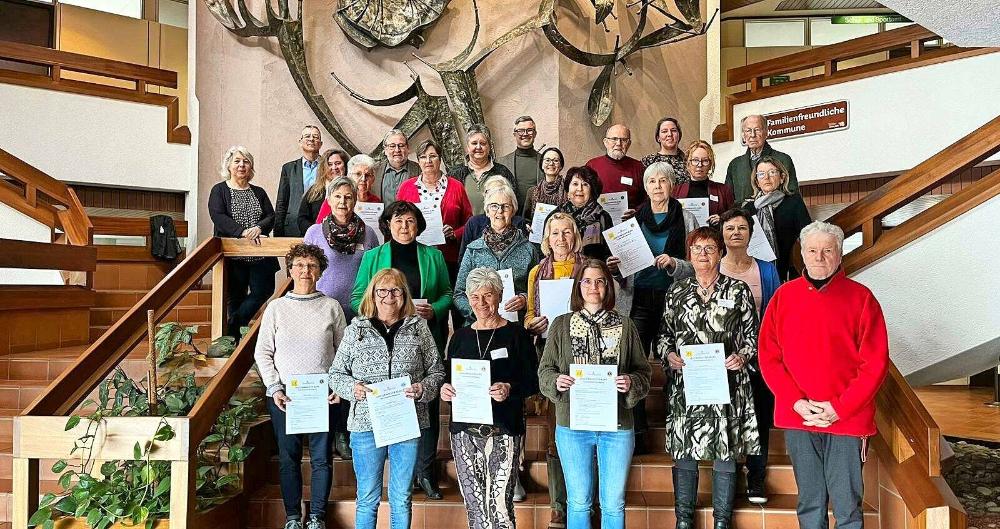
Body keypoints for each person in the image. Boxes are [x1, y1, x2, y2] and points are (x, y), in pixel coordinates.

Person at [759, 221, 889, 529]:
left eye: (827, 251)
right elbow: (769, 358)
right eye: (812, 250)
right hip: (799, 417)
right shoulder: (783, 297)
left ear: (839, 254)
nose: (819, 257)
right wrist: (796, 402)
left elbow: (875, 364)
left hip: (847, 419)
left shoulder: (862, 298)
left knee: (847, 508)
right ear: (802, 254)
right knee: (810, 503)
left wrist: (839, 408)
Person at [658, 226, 761, 529]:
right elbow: (663, 336)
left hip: (727, 385)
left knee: (725, 451)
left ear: (720, 253)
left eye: (710, 248)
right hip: (687, 385)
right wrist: (669, 355)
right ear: (689, 255)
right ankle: (684, 520)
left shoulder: (738, 290)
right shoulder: (676, 292)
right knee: (684, 450)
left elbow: (753, 338)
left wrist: (742, 356)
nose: (703, 254)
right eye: (697, 249)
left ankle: (722, 521)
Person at [351, 200, 453, 500]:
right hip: (382, 344)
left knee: (426, 405)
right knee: (391, 404)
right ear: (387, 225)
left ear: (418, 225)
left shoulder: (433, 256)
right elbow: (357, 296)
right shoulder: (373, 257)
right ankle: (400, 474)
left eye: (410, 221)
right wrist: (379, 314)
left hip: (422, 340)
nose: (404, 226)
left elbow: (447, 293)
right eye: (398, 221)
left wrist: (435, 310)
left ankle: (426, 471)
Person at [538, 259, 651, 529]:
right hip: (573, 426)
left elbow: (644, 373)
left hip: (617, 427)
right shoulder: (561, 325)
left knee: (613, 504)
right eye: (587, 281)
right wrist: (556, 381)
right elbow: (545, 371)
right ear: (578, 287)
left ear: (608, 287)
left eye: (600, 281)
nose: (593, 287)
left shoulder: (625, 326)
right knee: (578, 502)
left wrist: (631, 382)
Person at [330, 268, 445, 529]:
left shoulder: (419, 328)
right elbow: (336, 374)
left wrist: (422, 389)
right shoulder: (356, 329)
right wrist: (353, 389)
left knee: (401, 498)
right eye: (382, 290)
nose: (389, 296)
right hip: (365, 424)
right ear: (372, 294)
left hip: (406, 422)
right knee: (367, 498)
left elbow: (437, 371)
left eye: (395, 290)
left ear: (404, 295)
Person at [254, 243, 347, 529]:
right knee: (288, 458)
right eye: (299, 265)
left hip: (322, 395)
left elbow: (344, 353)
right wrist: (275, 388)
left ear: (320, 271)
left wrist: (338, 385)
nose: (306, 270)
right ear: (290, 270)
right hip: (285, 396)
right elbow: (262, 352)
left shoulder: (332, 307)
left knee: (321, 459)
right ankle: (293, 517)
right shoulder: (276, 308)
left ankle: (317, 516)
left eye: (312, 265)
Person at [440, 267, 539, 529]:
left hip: (504, 429)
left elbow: (533, 381)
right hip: (464, 432)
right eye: (475, 297)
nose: (481, 303)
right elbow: (449, 380)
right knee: (475, 509)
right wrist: (445, 391)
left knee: (500, 508)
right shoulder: (460, 337)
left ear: (499, 295)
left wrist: (509, 388)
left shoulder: (516, 335)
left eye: (488, 295)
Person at [607, 162, 696, 453]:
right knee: (634, 364)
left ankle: (679, 425)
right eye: (652, 181)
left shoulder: (688, 219)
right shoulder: (632, 221)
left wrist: (674, 264)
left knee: (677, 362)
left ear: (672, 185)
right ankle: (638, 430)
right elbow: (622, 272)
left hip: (676, 300)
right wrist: (615, 269)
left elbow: (698, 264)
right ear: (645, 187)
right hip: (639, 300)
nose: (658, 186)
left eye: (663, 180)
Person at [523, 212, 584, 528]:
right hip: (552, 356)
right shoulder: (537, 272)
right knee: (555, 432)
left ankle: (583, 500)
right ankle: (559, 505)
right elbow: (529, 315)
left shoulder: (588, 268)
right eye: (555, 233)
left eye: (566, 232)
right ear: (547, 238)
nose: (561, 239)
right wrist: (532, 323)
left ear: (575, 236)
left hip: (586, 357)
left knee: (585, 430)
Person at [717, 208, 781, 504]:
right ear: (722, 234)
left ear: (751, 234)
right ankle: (729, 476)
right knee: (726, 418)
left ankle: (756, 477)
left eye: (742, 228)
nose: (735, 233)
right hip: (721, 359)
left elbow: (777, 312)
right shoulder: (713, 267)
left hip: (758, 357)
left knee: (759, 417)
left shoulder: (766, 270)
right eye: (730, 228)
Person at [207, 146, 279, 338]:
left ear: (251, 167)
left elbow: (271, 216)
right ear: (229, 165)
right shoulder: (219, 190)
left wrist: (259, 228)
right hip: (234, 255)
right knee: (235, 298)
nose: (241, 165)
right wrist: (243, 232)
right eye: (237, 161)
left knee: (264, 290)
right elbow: (218, 216)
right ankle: (234, 344)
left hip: (259, 254)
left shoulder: (259, 192)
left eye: (246, 161)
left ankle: (233, 325)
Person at [454, 184, 539, 325]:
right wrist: (477, 313)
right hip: (479, 326)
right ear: (487, 211)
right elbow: (459, 293)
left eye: (506, 206)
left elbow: (537, 291)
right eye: (494, 206)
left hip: (515, 326)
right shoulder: (473, 250)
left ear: (513, 211)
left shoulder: (529, 249)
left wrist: (524, 300)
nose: (500, 211)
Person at [303, 176, 381, 322]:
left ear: (355, 201)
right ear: (329, 200)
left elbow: (377, 273)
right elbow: (304, 271)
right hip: (323, 309)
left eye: (348, 197)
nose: (342, 202)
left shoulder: (369, 233)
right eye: (337, 196)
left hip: (360, 309)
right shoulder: (314, 233)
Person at [396, 139, 474, 269]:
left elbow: (469, 222)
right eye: (423, 157)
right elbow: (396, 220)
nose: (428, 161)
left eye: (432, 156)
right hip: (414, 256)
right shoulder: (406, 187)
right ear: (418, 161)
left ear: (440, 159)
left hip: (448, 257)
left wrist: (455, 233)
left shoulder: (457, 186)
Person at [740, 157, 812, 282]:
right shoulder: (748, 208)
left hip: (788, 270)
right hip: (755, 270)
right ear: (757, 181)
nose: (766, 177)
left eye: (772, 172)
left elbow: (808, 234)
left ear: (782, 177)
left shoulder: (793, 202)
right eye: (761, 174)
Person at [725, 115, 799, 203]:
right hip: (743, 211)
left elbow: (793, 196)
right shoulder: (735, 164)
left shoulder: (783, 159)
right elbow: (728, 200)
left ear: (766, 132)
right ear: (743, 135)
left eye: (757, 130)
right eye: (748, 130)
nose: (753, 135)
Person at [448, 124, 517, 215]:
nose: (478, 147)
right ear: (467, 147)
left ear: (489, 147)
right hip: (465, 224)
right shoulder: (455, 174)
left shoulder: (502, 172)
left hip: (496, 224)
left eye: (483, 143)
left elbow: (512, 204)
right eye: (474, 143)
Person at [458, 175, 528, 262]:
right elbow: (463, 258)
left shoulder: (518, 222)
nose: (496, 194)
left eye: (500, 190)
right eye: (490, 192)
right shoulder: (474, 222)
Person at [585, 123, 647, 214]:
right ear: (605, 142)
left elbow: (647, 198)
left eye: (624, 140)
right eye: (614, 139)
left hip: (631, 220)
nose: (618, 143)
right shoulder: (592, 166)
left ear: (629, 144)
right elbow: (584, 195)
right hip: (598, 219)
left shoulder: (639, 168)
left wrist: (637, 212)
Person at [276, 125, 324, 237]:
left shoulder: (328, 167)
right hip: (293, 227)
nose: (311, 139)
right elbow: (282, 202)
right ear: (300, 142)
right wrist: (278, 232)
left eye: (315, 137)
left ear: (321, 144)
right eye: (307, 136)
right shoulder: (288, 168)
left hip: (320, 225)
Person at [557, 166, 613, 260]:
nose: (579, 189)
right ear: (568, 189)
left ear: (592, 190)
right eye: (575, 184)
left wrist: (609, 262)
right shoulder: (556, 215)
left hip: (593, 268)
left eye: (585, 184)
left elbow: (609, 252)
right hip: (562, 267)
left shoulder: (603, 217)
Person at [673, 140, 734, 226]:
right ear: (688, 163)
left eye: (705, 160)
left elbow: (734, 220)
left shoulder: (724, 190)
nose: (699, 165)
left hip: (714, 233)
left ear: (710, 165)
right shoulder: (676, 191)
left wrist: (723, 220)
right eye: (695, 160)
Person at [497, 115, 544, 215]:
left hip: (537, 218)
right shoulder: (502, 163)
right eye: (521, 131)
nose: (525, 134)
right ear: (514, 134)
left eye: (529, 130)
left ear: (535, 134)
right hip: (509, 218)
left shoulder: (545, 162)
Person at [314, 153, 379, 224]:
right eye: (358, 174)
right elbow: (319, 226)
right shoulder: (334, 199)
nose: (363, 179)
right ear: (349, 176)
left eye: (368, 175)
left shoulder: (376, 201)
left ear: (373, 179)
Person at [298, 149, 349, 233]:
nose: (334, 168)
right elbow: (302, 219)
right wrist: (317, 232)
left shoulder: (354, 190)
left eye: (338, 163)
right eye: (329, 164)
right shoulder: (314, 191)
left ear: (346, 165)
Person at [523, 147, 569, 227]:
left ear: (561, 166)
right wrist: (527, 226)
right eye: (547, 160)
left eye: (556, 160)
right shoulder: (532, 192)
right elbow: (526, 219)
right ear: (542, 165)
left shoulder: (568, 190)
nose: (551, 163)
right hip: (538, 234)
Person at [372, 129, 420, 206]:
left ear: (408, 148)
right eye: (392, 146)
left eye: (401, 145)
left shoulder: (420, 170)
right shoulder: (374, 172)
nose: (397, 150)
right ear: (385, 150)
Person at [641, 117, 689, 185]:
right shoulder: (648, 161)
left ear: (679, 135)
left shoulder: (688, 162)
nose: (669, 134)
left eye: (673, 130)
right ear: (658, 138)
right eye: (664, 131)